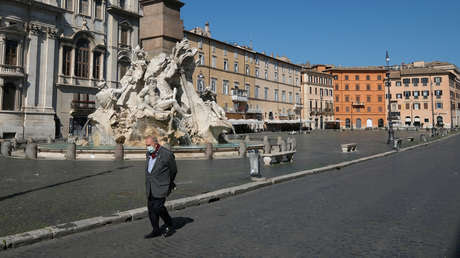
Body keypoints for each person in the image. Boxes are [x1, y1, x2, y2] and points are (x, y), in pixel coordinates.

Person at [144, 136, 177, 238]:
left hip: (162, 186)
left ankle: (169, 223)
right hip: (150, 186)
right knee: (151, 209)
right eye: (146, 145)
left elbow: (173, 170)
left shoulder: (166, 154)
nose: (147, 147)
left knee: (158, 207)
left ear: (155, 144)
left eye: (148, 145)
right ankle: (156, 230)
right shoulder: (148, 154)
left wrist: (169, 182)